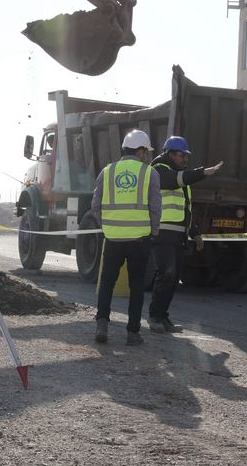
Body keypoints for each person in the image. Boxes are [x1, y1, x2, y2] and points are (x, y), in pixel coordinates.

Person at [90, 129, 161, 345]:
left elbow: (95, 206)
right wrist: (153, 232)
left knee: (106, 283)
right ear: (140, 151)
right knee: (136, 286)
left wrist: (108, 227)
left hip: (113, 240)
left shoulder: (107, 171)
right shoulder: (150, 173)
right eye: (146, 152)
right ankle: (132, 333)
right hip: (139, 241)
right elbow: (155, 208)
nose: (147, 156)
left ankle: (102, 324)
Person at [147, 135, 223, 334]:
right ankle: (155, 316)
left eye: (186, 156)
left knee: (174, 277)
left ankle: (163, 317)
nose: (185, 159)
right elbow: (173, 181)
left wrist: (195, 232)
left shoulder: (180, 176)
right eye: (182, 155)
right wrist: (204, 172)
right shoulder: (159, 170)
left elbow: (185, 209)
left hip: (178, 235)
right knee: (167, 273)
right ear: (170, 154)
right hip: (161, 232)